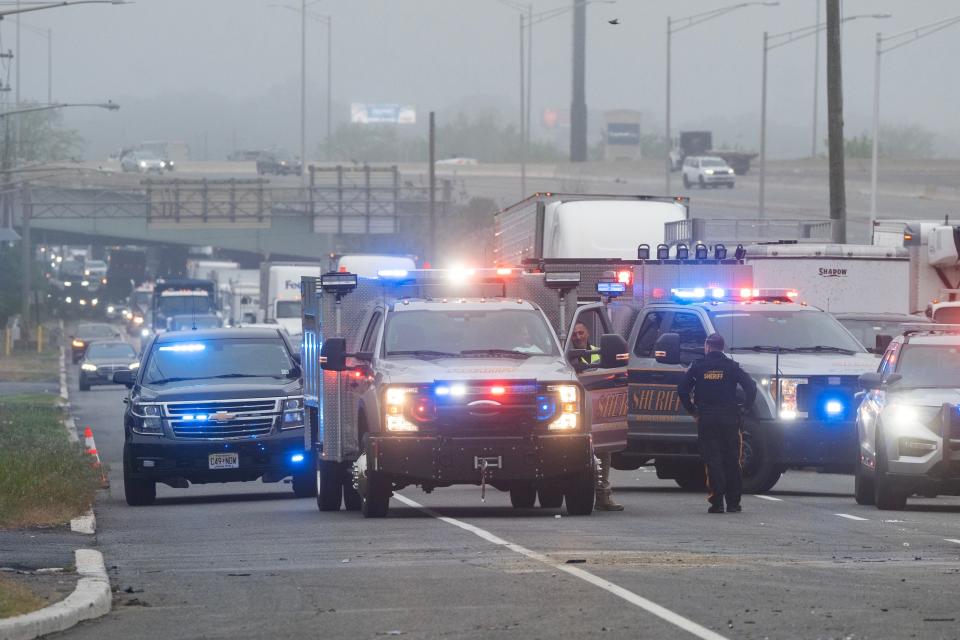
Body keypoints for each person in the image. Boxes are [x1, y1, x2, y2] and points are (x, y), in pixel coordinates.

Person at [677, 333, 757, 514]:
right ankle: (734, 503)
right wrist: (745, 408)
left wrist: (693, 411)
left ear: (707, 346)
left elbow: (682, 390)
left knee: (713, 460)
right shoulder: (732, 366)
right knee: (732, 459)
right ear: (722, 347)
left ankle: (717, 502)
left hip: (707, 418)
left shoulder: (698, 366)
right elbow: (751, 387)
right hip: (730, 418)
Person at [570, 321, 623, 511]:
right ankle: (575, 494)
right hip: (575, 411)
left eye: (581, 333)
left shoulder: (598, 352)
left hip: (599, 409)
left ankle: (602, 495)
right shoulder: (565, 355)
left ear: (588, 333)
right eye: (574, 334)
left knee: (603, 453)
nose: (577, 337)